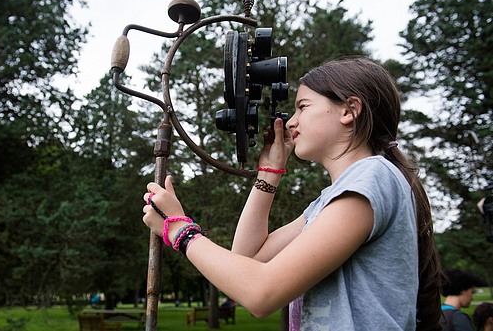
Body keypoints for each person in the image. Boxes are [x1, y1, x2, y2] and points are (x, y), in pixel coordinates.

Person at [142, 56, 442, 330]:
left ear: (349, 110)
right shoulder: (329, 201)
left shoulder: (372, 177)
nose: (292, 121)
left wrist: (180, 230)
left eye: (303, 106)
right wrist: (269, 173)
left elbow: (260, 293)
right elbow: (248, 259)